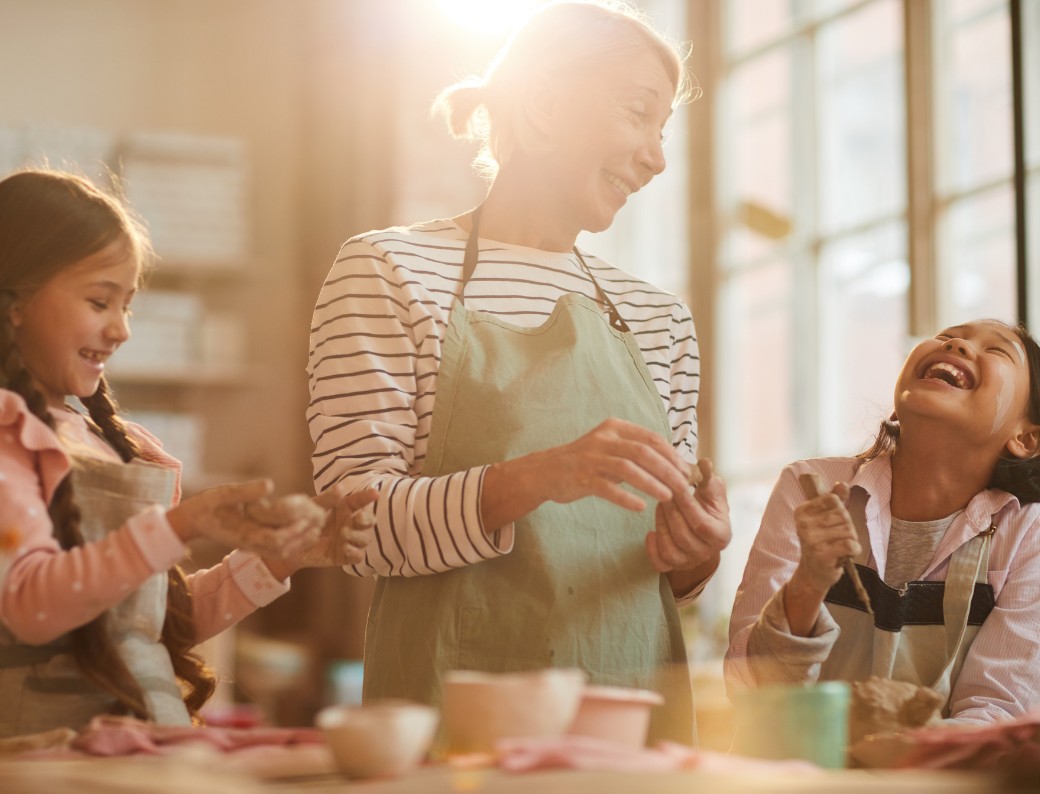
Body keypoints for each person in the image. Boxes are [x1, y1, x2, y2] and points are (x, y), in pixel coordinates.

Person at [307, 1, 731, 744]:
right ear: (542, 107)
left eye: (663, 130)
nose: (656, 157)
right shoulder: (390, 270)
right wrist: (532, 479)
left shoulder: (659, 319)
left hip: (628, 727)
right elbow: (357, 528)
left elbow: (668, 573)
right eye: (638, 114)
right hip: (455, 728)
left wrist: (696, 554)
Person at [0, 168, 376, 738]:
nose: (121, 329)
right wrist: (182, 525)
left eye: (127, 305)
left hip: (140, 742)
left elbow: (153, 627)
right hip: (49, 758)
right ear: (14, 302)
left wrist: (287, 556)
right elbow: (33, 607)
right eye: (100, 301)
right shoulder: (9, 436)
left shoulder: (113, 443)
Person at [725, 319, 1040, 725]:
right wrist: (807, 584)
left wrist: (894, 756)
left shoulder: (1027, 533)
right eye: (945, 337)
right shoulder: (808, 488)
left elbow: (996, 711)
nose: (958, 345)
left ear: (1026, 439)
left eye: (996, 350)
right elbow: (749, 687)